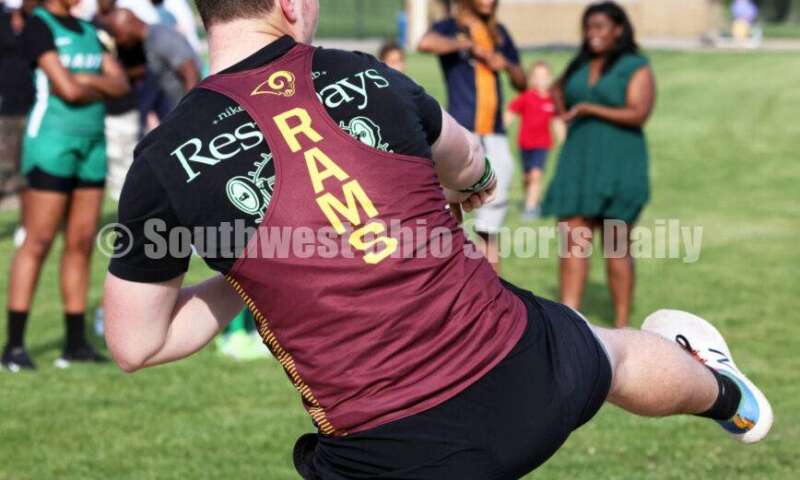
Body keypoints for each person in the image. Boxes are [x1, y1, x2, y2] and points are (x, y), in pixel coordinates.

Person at [103, 1, 772, 477]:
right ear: (286, 5)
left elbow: (137, 343)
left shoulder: (163, 159)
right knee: (615, 353)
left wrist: (263, 264)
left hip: (387, 454)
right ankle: (730, 399)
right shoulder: (368, 75)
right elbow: (470, 164)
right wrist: (458, 188)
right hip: (522, 379)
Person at [2, 0, 129, 372]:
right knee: (38, 241)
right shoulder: (39, 26)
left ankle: (75, 344)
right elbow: (65, 90)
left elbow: (119, 83)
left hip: (92, 144)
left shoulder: (90, 30)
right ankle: (14, 346)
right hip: (52, 144)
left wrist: (87, 81)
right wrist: (93, 85)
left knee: (80, 242)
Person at [542, 1, 653, 329]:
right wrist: (565, 109)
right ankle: (571, 322)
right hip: (579, 161)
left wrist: (590, 109)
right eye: (588, 28)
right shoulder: (581, 62)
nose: (593, 34)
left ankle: (622, 327)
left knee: (617, 246)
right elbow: (555, 89)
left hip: (619, 162)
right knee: (572, 241)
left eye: (600, 27)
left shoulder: (635, 66)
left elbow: (639, 112)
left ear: (618, 29)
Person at [418, 0, 526, 273]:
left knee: (489, 229)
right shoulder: (451, 28)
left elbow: (521, 81)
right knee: (451, 220)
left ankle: (493, 295)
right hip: (463, 134)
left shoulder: (499, 32)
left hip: (495, 135)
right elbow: (425, 43)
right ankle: (454, 280)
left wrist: (505, 65)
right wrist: (466, 46)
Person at [103, 7, 200, 130]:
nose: (118, 41)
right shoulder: (148, 42)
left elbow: (190, 72)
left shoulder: (160, 36)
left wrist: (190, 111)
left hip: (188, 114)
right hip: (177, 115)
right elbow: (152, 70)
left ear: (128, 23)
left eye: (117, 34)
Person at [505, 61, 564, 220]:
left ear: (550, 78)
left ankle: (531, 208)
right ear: (532, 79)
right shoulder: (527, 97)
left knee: (536, 175)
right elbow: (511, 110)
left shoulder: (552, 100)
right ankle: (531, 201)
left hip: (542, 144)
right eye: (537, 76)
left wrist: (563, 138)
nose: (541, 80)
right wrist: (502, 126)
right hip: (524, 144)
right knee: (527, 177)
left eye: (544, 76)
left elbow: (558, 121)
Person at [0, 0, 34, 209]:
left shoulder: (37, 22)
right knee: (5, 165)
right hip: (7, 105)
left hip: (34, 103)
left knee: (30, 167)